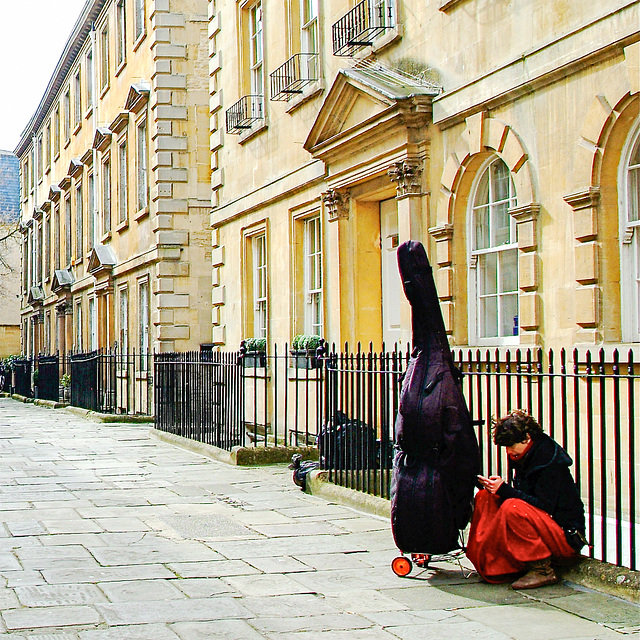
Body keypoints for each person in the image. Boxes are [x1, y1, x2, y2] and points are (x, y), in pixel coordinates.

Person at [466, 409, 586, 589]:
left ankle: (542, 570)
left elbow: (544, 506)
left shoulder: (549, 461)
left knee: (512, 507)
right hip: (546, 527)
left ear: (527, 438)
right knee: (485, 497)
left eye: (511, 445)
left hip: (564, 536)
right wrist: (498, 490)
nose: (508, 451)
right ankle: (494, 563)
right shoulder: (526, 453)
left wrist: (505, 490)